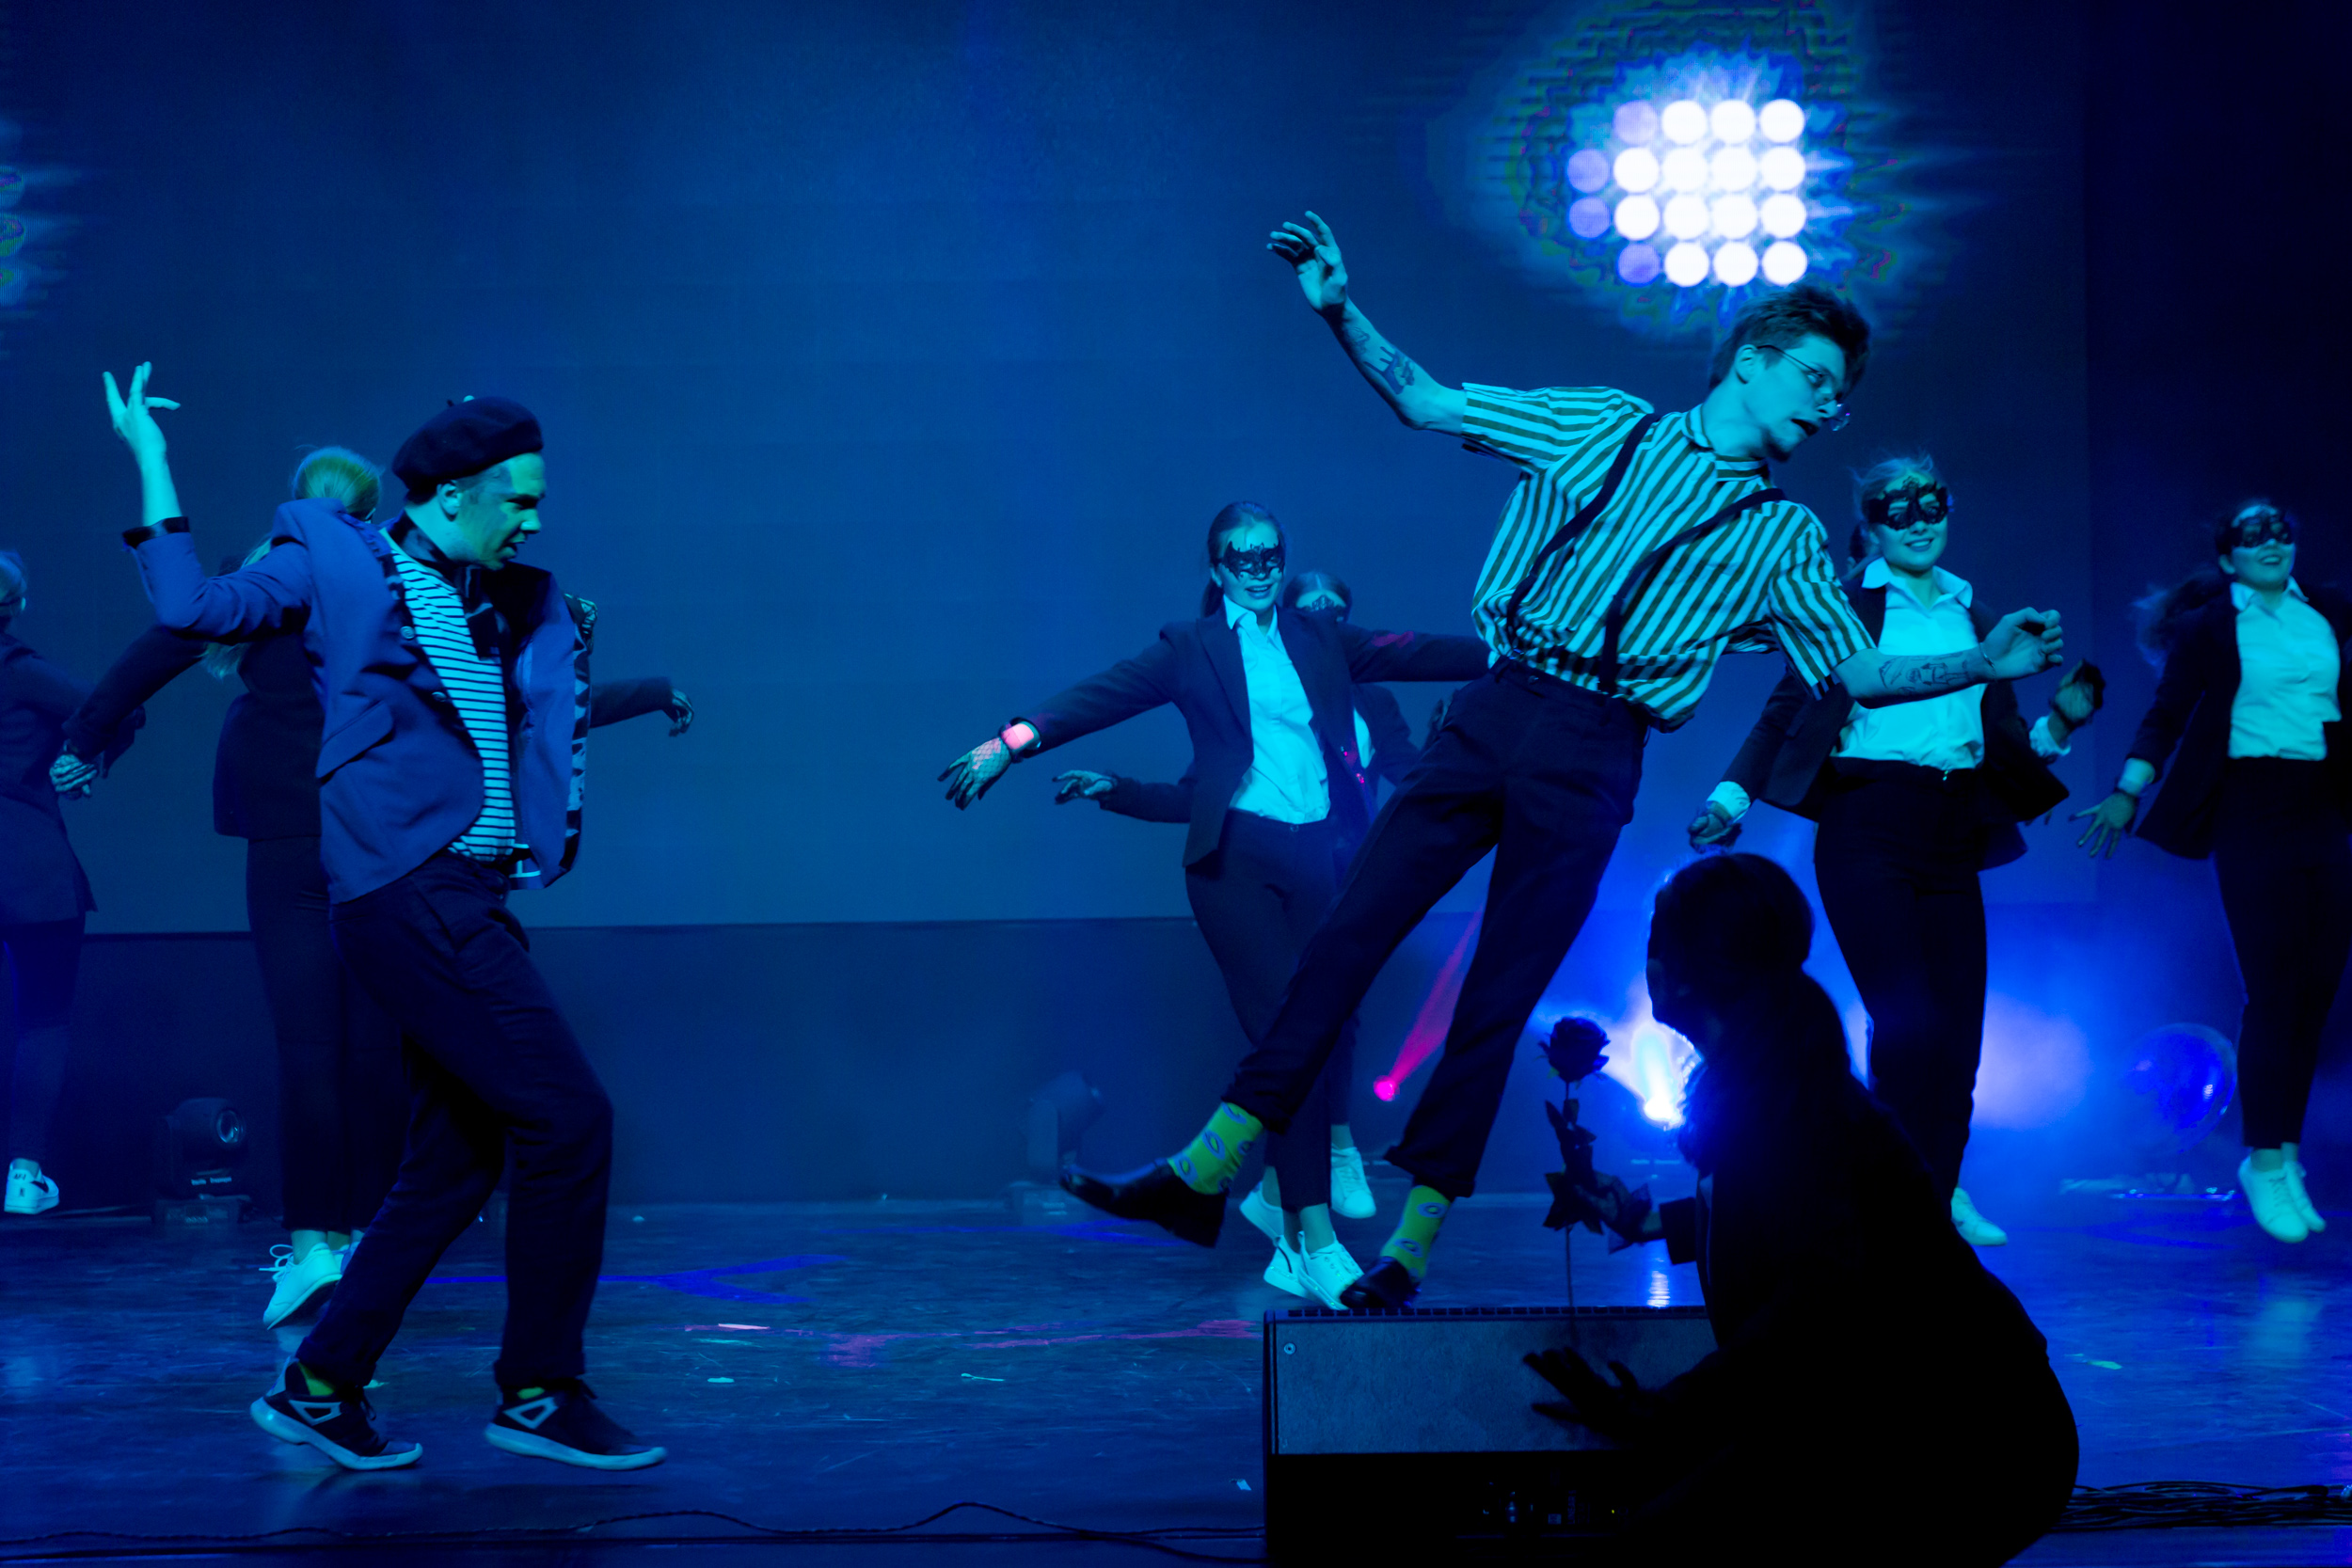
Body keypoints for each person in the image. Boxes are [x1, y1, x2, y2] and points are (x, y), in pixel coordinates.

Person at [1058, 212, 2063, 1307]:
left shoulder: (1783, 537)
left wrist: (1982, 658)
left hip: (1595, 750)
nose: (1829, 405)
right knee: (1348, 933)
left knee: (1499, 989)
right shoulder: (1602, 423)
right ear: (1750, 359)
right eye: (1816, 378)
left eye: (1840, 394)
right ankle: (1207, 1166)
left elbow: (1856, 672)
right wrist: (1341, 309)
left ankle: (1412, 1241)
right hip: (1496, 709)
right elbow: (1426, 402)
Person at [104, 364, 662, 1471]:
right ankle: (539, 1389)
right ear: (454, 491)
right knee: (569, 1117)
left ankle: (321, 1384)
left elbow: (533, 722)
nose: (535, 517)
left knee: (457, 1160)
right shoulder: (339, 560)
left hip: (469, 891)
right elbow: (192, 609)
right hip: (409, 889)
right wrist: (152, 463)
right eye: (519, 497)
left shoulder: (506, 598)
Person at [939, 504, 1489, 1306]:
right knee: (1287, 1038)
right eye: (1242, 557)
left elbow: (1415, 651)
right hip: (1235, 860)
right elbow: (1101, 696)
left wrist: (1517, 652)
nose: (1259, 568)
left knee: (1310, 1041)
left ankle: (1279, 1214)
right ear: (1218, 568)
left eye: (1270, 555)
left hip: (1318, 859)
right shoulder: (1190, 647)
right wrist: (1010, 743)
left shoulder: (1317, 636)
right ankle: (1312, 1239)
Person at [1526, 853, 2077, 1566]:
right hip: (1892, 1414)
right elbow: (1800, 1213)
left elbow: (1821, 1292)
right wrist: (1647, 1221)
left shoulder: (1793, 1109)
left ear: (1682, 973)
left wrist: (1667, 1410)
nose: (1648, 962)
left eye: (1656, 940)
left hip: (1967, 1435)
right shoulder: (1774, 1079)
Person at [1688, 454, 2102, 1245]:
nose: (1917, 523)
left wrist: (2060, 725)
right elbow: (1785, 709)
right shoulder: (1847, 607)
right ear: (1872, 526)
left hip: (1950, 828)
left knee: (1960, 1038)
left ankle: (1931, 1204)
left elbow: (1997, 739)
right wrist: (1730, 797)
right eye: (1896, 511)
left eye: (1930, 506)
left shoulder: (1977, 616)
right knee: (1908, 1026)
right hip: (1868, 821)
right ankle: (1885, 1194)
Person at [1049, 567, 1434, 1236]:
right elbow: (1195, 796)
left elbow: (1409, 772)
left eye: (1336, 611)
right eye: (1311, 610)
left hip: (1344, 882)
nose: (1325, 621)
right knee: (1298, 1031)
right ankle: (1312, 1186)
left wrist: (1454, 763)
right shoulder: (1258, 701)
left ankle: (1277, 1180)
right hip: (1268, 881)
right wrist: (1117, 788)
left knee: (1329, 1024)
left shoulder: (1372, 702)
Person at [2076, 500, 2346, 1243]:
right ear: (2229, 558)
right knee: (2274, 989)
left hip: (2323, 803)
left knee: (2318, 990)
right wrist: (2128, 791)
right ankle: (2263, 1159)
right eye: (2253, 536)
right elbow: (2167, 714)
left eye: (2281, 531)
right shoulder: (2210, 628)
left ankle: (2286, 1153)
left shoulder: (2326, 613)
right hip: (2251, 805)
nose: (2271, 542)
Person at [1, 551, 139, 1217]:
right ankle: (23, 1173)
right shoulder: (21, 672)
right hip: (31, 871)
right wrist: (81, 758)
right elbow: (118, 708)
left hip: (30, 870)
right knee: (44, 1018)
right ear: (18, 606)